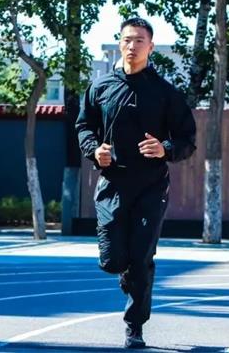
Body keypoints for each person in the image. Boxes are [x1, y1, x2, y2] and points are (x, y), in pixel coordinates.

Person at [75, 17, 197, 349]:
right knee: (113, 261)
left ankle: (135, 326)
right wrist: (94, 150)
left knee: (141, 257)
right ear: (120, 43)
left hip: (151, 186)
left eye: (139, 40)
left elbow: (187, 139)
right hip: (112, 184)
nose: (132, 46)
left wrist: (165, 148)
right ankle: (124, 271)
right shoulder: (100, 87)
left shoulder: (165, 93)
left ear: (151, 47)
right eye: (127, 40)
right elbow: (84, 127)